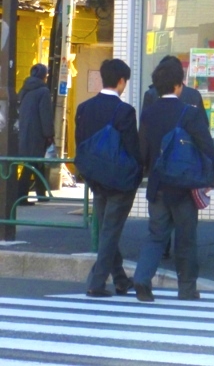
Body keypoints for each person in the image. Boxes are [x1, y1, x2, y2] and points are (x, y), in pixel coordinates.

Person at [133, 58, 214, 302]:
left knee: (156, 234)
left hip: (158, 185)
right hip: (184, 185)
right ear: (179, 85)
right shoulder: (189, 113)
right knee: (186, 237)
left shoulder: (148, 114)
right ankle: (187, 288)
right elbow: (206, 147)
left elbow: (143, 150)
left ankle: (141, 279)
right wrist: (210, 178)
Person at [74, 59, 141, 297]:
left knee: (106, 230)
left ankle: (121, 280)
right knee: (110, 231)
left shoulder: (84, 108)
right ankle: (96, 283)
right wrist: (137, 176)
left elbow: (80, 143)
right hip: (120, 181)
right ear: (121, 81)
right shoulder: (125, 111)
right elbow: (133, 149)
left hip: (95, 179)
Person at [16, 63, 54, 204]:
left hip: (24, 131)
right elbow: (45, 115)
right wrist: (49, 134)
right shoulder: (43, 91)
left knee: (37, 163)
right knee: (32, 164)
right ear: (43, 76)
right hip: (37, 134)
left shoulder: (24, 89)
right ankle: (21, 196)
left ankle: (42, 194)